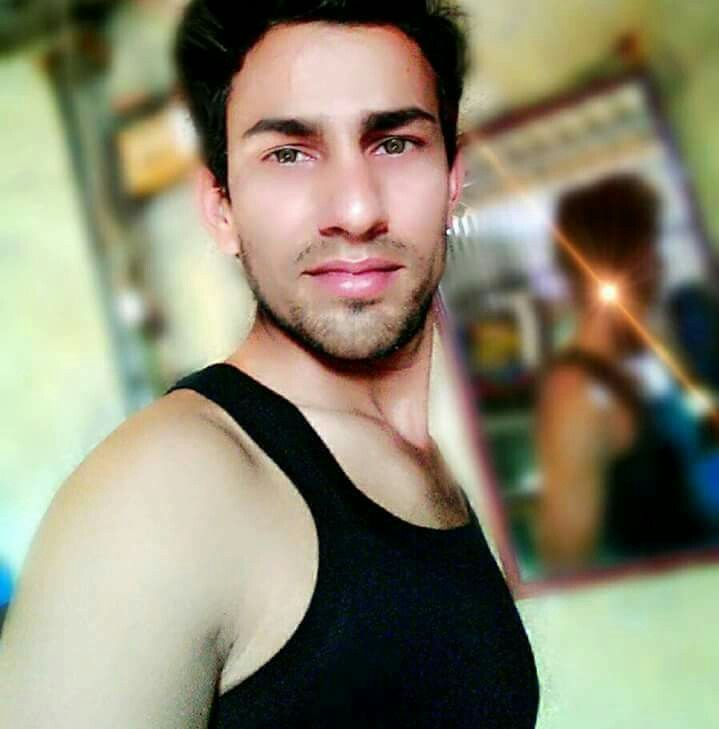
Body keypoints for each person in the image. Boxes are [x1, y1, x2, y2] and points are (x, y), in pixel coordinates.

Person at [0, 2, 539, 727]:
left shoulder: (419, 458)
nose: (356, 209)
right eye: (288, 153)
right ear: (221, 209)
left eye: (394, 143)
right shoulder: (167, 492)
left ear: (451, 180)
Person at [536, 174, 708, 571]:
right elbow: (566, 561)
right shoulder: (575, 392)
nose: (659, 263)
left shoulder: (646, 357)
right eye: (649, 248)